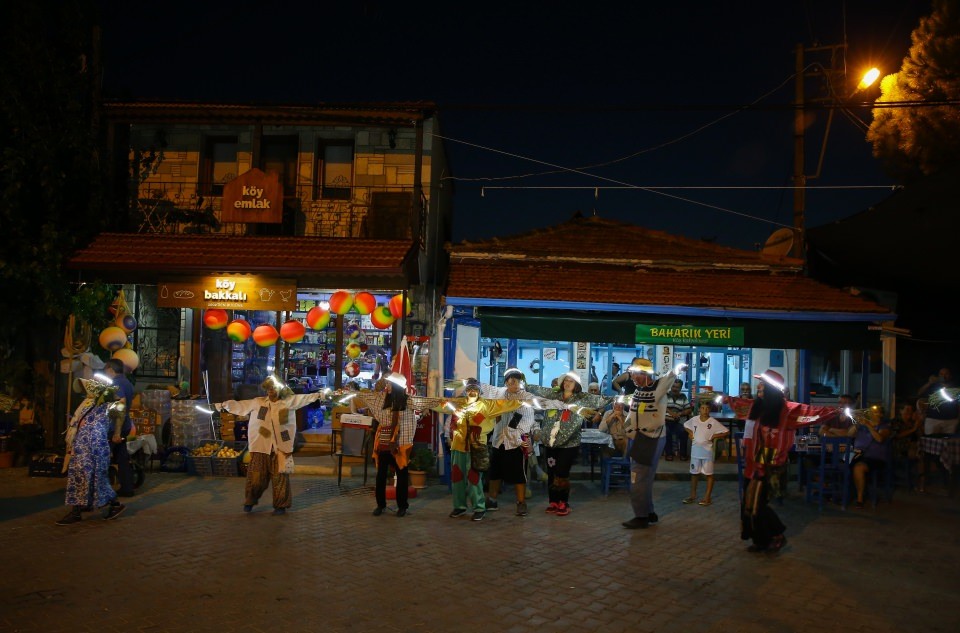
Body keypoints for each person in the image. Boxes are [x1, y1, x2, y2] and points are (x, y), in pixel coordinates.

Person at [739, 370, 838, 552]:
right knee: (748, 503)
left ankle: (776, 535)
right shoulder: (757, 406)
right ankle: (760, 540)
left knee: (757, 504)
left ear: (770, 388)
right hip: (754, 461)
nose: (758, 386)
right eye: (759, 383)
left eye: (762, 383)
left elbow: (813, 412)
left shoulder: (787, 410)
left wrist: (837, 411)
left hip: (768, 461)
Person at [218, 375, 324, 515]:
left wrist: (320, 395)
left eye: (273, 388)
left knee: (280, 477)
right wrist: (221, 405)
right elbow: (240, 406)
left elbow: (304, 398)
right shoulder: (258, 402)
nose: (271, 391)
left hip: (281, 447)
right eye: (268, 389)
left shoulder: (288, 402)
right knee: (256, 478)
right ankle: (250, 500)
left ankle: (281, 505)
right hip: (260, 446)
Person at [354, 374, 444, 518]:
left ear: (396, 386)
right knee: (381, 475)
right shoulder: (382, 399)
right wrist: (351, 392)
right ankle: (380, 505)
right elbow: (367, 397)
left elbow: (425, 402)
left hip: (401, 444)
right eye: (387, 384)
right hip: (384, 441)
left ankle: (402, 506)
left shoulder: (408, 400)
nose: (387, 386)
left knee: (402, 475)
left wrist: (445, 401)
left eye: (389, 384)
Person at [526, 372, 612, 516]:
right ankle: (553, 502)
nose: (567, 383)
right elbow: (538, 390)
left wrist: (620, 398)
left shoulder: (581, 398)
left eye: (571, 381)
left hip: (569, 444)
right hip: (551, 444)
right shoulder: (554, 395)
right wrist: (523, 384)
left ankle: (563, 502)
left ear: (576, 384)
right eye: (566, 380)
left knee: (562, 472)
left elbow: (600, 400)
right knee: (552, 472)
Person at [447, 378, 525, 521]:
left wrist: (522, 400)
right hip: (458, 446)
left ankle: (479, 507)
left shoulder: (486, 405)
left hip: (476, 447)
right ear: (466, 391)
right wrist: (449, 435)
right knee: (457, 477)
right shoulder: (459, 404)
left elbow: (506, 405)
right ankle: (459, 506)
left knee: (474, 478)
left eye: (475, 389)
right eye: (469, 389)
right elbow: (450, 420)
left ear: (479, 391)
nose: (472, 392)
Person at [620, 358, 684, 529]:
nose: (631, 376)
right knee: (644, 477)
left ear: (644, 374)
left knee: (637, 478)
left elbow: (669, 376)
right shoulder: (638, 391)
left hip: (649, 438)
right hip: (640, 438)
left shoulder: (658, 387)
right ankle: (648, 512)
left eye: (634, 373)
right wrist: (626, 430)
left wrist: (678, 368)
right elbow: (632, 415)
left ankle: (641, 516)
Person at [57, 378, 127, 525]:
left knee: (96, 477)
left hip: (95, 446)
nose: (84, 391)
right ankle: (79, 509)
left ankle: (113, 504)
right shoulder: (87, 404)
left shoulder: (107, 405)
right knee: (80, 476)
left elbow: (121, 410)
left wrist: (117, 433)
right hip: (82, 446)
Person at [478, 368, 540, 516]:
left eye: (517, 381)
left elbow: (525, 419)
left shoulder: (526, 398)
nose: (514, 384)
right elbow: (489, 410)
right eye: (511, 381)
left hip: (516, 442)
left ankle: (521, 502)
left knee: (519, 473)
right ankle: (492, 499)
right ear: (506, 382)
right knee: (495, 472)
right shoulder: (499, 394)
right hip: (499, 440)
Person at [683, 400, 729, 506]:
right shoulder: (694, 420)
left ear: (710, 409)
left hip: (707, 452)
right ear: (699, 409)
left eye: (707, 408)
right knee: (694, 474)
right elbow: (685, 425)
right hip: (695, 452)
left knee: (709, 474)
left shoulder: (712, 422)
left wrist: (714, 436)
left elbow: (726, 431)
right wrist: (690, 433)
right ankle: (692, 495)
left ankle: (707, 497)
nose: (705, 410)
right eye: (703, 408)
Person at [103, 358, 136, 497]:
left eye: (106, 371)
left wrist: (116, 431)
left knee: (104, 457)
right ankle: (127, 487)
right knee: (122, 458)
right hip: (125, 425)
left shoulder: (116, 383)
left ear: (110, 369)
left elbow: (121, 404)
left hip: (116, 426)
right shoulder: (127, 382)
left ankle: (102, 490)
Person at [849, 404, 893, 509]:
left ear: (881, 415)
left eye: (876, 412)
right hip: (857, 454)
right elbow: (849, 434)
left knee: (858, 468)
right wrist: (856, 424)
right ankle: (841, 494)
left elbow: (880, 439)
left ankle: (860, 499)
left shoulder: (884, 427)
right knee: (840, 463)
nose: (872, 414)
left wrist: (868, 425)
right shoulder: (862, 426)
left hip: (874, 458)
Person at [917, 367, 959, 435]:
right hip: (933, 419)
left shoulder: (955, 387)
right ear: (938, 375)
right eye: (941, 374)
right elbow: (919, 393)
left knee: (948, 443)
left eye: (946, 374)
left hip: (951, 421)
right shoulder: (933, 386)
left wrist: (958, 419)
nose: (944, 376)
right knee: (931, 442)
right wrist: (929, 383)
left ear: (950, 376)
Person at [663, 378, 692, 461]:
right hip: (665, 421)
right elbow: (661, 406)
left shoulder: (683, 397)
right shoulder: (665, 395)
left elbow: (689, 409)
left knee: (684, 432)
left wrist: (679, 413)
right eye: (673, 386)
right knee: (666, 432)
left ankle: (683, 454)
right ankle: (669, 454)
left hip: (677, 422)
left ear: (680, 388)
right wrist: (671, 413)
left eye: (677, 387)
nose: (675, 389)